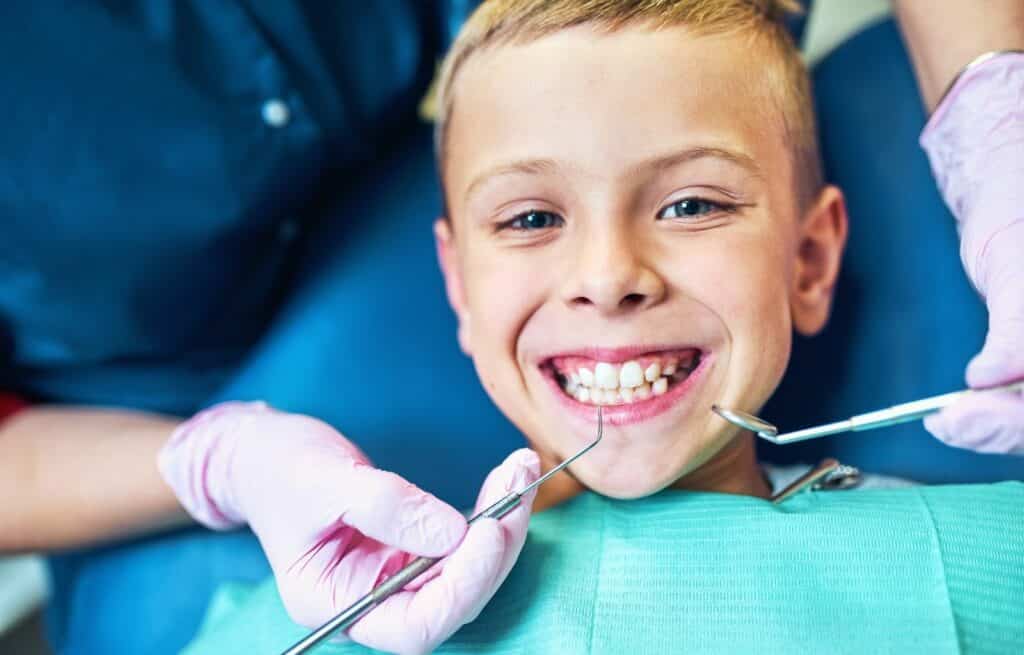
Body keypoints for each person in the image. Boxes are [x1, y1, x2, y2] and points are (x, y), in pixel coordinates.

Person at [172, 0, 1023, 652]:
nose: (610, 276)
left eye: (691, 203)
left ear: (808, 263)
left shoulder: (976, 558)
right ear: (459, 286)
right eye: (532, 219)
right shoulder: (358, 606)